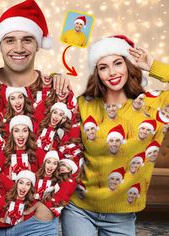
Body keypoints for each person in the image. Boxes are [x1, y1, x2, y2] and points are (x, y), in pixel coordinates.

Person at [0, 0, 80, 235]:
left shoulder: (58, 92)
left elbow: (73, 151)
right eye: (10, 40)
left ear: (37, 44)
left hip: (37, 220)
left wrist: (50, 206)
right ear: (0, 44)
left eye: (27, 39)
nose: (18, 48)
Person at [61, 35, 169, 236]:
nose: (112, 73)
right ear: (97, 73)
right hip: (79, 208)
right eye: (103, 67)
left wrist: (153, 65)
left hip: (123, 215)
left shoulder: (154, 105)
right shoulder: (84, 105)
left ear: (129, 65)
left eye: (118, 63)